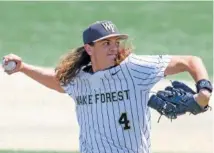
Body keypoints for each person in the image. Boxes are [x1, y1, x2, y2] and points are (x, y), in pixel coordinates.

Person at [2, 20, 212, 153]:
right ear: (89, 48)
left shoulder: (135, 69)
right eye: (106, 44)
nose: (114, 48)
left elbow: (191, 61)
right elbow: (57, 81)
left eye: (115, 42)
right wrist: (23, 68)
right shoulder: (79, 80)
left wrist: (204, 92)